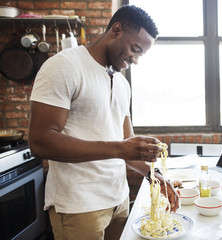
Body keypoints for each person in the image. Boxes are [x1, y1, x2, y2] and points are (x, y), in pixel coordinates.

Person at [28, 5, 179, 240]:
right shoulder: (65, 66)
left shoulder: (122, 84)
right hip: (79, 204)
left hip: (119, 200)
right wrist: (119, 148)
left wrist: (155, 176)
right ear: (116, 30)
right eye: (135, 49)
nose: (136, 60)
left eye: (141, 54)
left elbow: (128, 148)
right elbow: (40, 141)